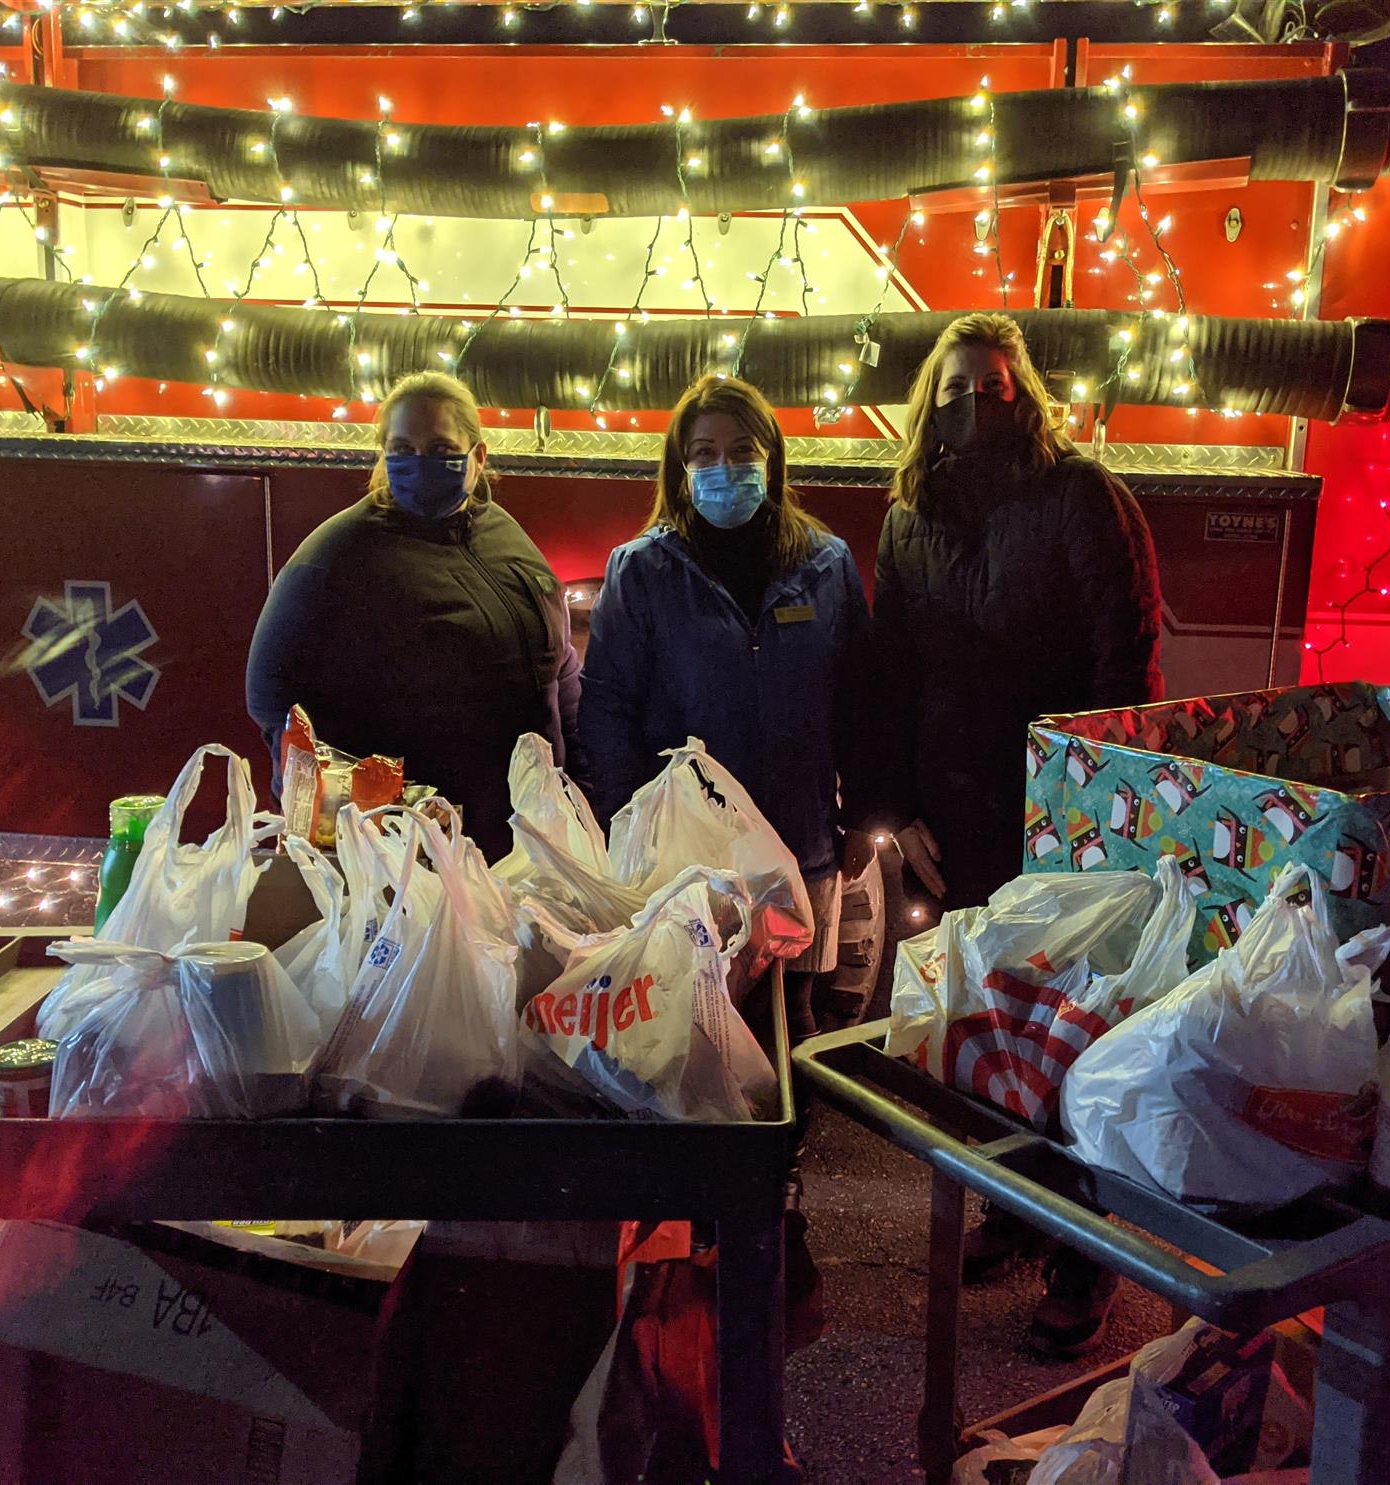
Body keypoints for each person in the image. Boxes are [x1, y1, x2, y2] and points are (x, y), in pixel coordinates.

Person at [864, 311, 1164, 1356]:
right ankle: (1015, 1206)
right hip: (960, 815)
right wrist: (895, 811)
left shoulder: (1079, 496)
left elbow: (1123, 661)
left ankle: (1083, 1253)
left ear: (1025, 394)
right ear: (926, 408)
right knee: (989, 1023)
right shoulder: (910, 515)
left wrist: (1107, 806)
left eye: (992, 388)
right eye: (953, 392)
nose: (973, 406)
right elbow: (890, 675)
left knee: (1076, 1028)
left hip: (1068, 816)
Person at [581, 374, 870, 1040]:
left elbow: (862, 702)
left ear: (772, 456)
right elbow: (607, 711)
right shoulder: (641, 571)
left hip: (801, 846)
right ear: (681, 468)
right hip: (687, 860)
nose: (723, 467)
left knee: (791, 1025)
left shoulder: (827, 565)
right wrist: (634, 829)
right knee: (691, 1028)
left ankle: (786, 1148)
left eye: (741, 449)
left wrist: (862, 814)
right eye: (704, 452)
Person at [246, 370, 584, 862]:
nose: (420, 462)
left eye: (441, 448)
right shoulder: (335, 555)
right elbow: (270, 694)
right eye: (402, 448)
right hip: (409, 850)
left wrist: (581, 784)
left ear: (479, 457)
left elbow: (558, 664)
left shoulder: (504, 536)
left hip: (520, 832)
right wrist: (336, 824)